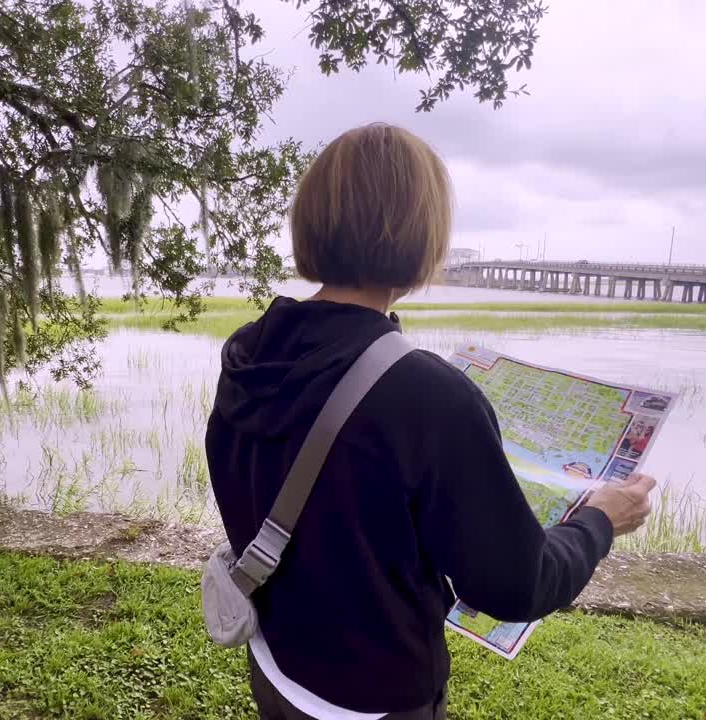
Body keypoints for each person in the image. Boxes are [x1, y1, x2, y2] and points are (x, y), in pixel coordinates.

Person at [205, 124, 655, 720]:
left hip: (275, 668)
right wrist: (599, 520)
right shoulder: (429, 397)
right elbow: (517, 587)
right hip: (376, 702)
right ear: (424, 239)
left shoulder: (249, 352)